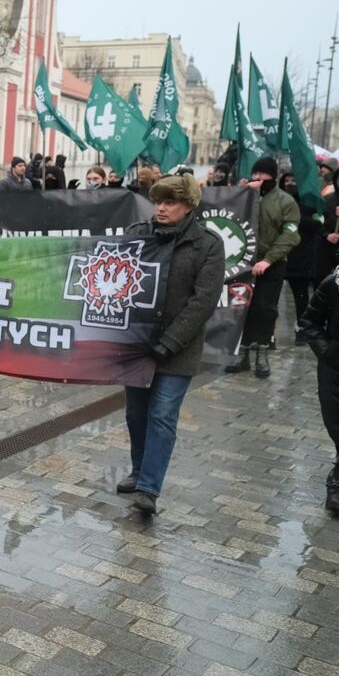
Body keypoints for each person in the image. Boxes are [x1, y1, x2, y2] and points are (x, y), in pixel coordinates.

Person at [118, 174, 225, 515]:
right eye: (158, 202)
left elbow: (203, 301)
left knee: (162, 414)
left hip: (178, 349)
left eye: (170, 203)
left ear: (189, 207)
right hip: (138, 345)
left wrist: (170, 341)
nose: (161, 209)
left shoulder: (207, 244)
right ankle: (138, 470)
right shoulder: (137, 234)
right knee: (136, 414)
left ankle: (149, 488)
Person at [225, 157, 300, 378]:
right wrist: (239, 195)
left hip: (271, 265)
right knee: (241, 308)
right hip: (243, 264)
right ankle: (242, 353)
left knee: (264, 310)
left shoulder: (285, 202)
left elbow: (290, 235)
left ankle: (262, 353)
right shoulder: (246, 195)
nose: (258, 178)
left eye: (263, 174)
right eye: (255, 173)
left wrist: (268, 260)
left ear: (273, 176)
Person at [299, 241, 339, 513]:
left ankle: (337, 483)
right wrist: (328, 352)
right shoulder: (333, 285)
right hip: (337, 367)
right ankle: (337, 483)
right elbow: (310, 322)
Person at [280, 172, 322, 340]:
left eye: (293, 180)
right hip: (279, 256)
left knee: (301, 297)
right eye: (287, 181)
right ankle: (268, 335)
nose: (290, 184)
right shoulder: (278, 202)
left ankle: (302, 329)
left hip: (301, 259)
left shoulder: (308, 204)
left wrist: (295, 219)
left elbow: (318, 225)